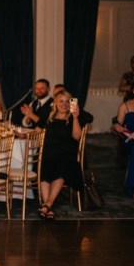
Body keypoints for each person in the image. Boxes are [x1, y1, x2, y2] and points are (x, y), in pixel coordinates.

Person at [39, 91, 90, 220]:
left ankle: (47, 204)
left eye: (67, 101)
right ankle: (47, 207)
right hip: (50, 154)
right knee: (43, 166)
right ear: (55, 103)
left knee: (61, 169)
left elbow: (76, 136)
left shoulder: (72, 118)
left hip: (66, 155)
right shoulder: (50, 117)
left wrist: (76, 117)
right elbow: (39, 133)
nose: (64, 104)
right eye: (61, 101)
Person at [112, 78, 134, 200]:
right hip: (130, 139)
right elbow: (116, 124)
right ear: (133, 90)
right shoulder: (125, 105)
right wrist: (120, 128)